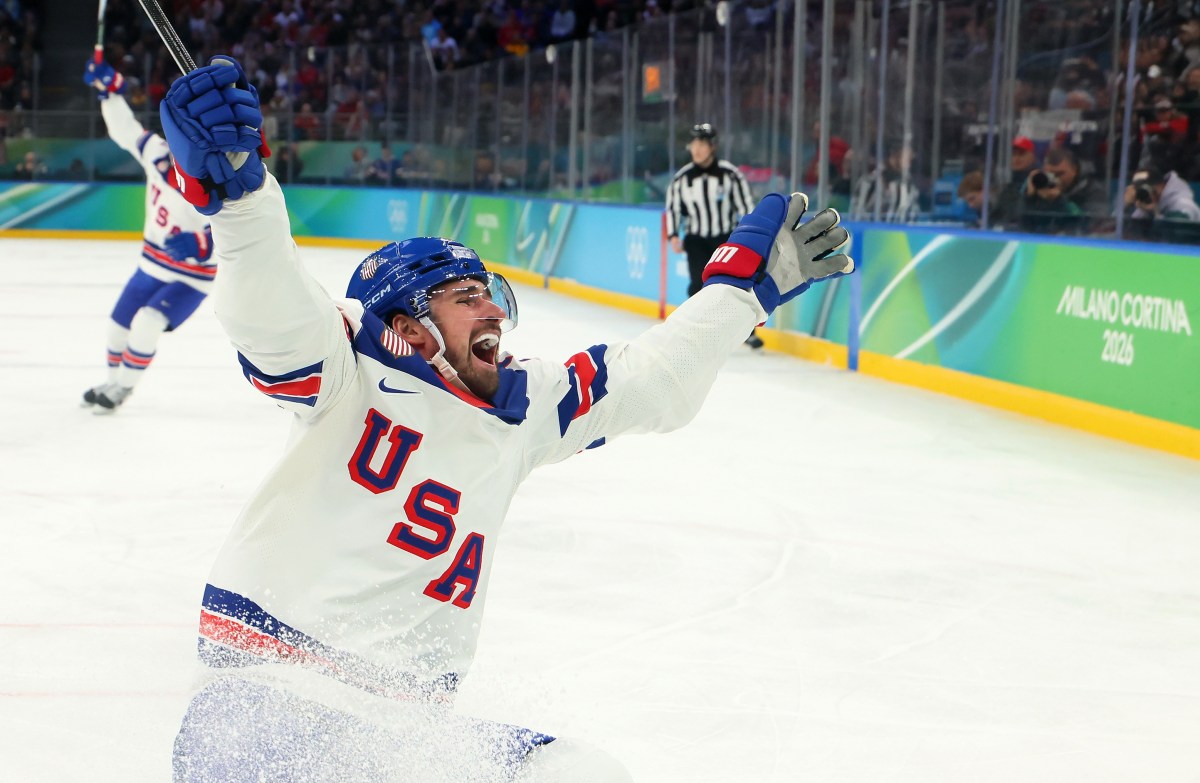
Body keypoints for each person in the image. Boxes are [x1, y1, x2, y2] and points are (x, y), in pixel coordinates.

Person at [159, 57, 854, 782]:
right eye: (466, 295)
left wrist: (741, 294)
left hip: (401, 732)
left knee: (582, 771)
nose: (493, 309)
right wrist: (242, 198)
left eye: (491, 293)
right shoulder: (347, 366)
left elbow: (656, 384)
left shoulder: (524, 406)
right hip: (267, 692)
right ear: (410, 323)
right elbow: (272, 309)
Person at [79, 57, 214, 412]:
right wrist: (110, 95)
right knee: (117, 324)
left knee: (147, 323)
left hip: (192, 276)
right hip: (151, 262)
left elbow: (237, 226)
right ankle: (111, 381)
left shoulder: (212, 176)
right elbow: (125, 131)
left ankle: (122, 389)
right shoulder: (157, 152)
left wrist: (202, 243)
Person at [664, 122, 759, 347]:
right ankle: (696, 330)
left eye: (702, 144)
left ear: (712, 147)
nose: (696, 149)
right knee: (698, 282)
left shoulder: (730, 175)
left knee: (735, 284)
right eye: (693, 144)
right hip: (696, 239)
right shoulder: (682, 178)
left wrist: (749, 235)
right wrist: (673, 235)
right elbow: (673, 208)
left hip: (725, 238)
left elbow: (746, 205)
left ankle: (746, 330)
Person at [1123, 165, 1200, 242]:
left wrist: (1155, 213)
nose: (1143, 193)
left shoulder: (1183, 204)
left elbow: (1174, 236)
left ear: (1160, 186)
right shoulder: (1144, 205)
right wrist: (1125, 206)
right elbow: (1121, 233)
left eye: (1144, 188)